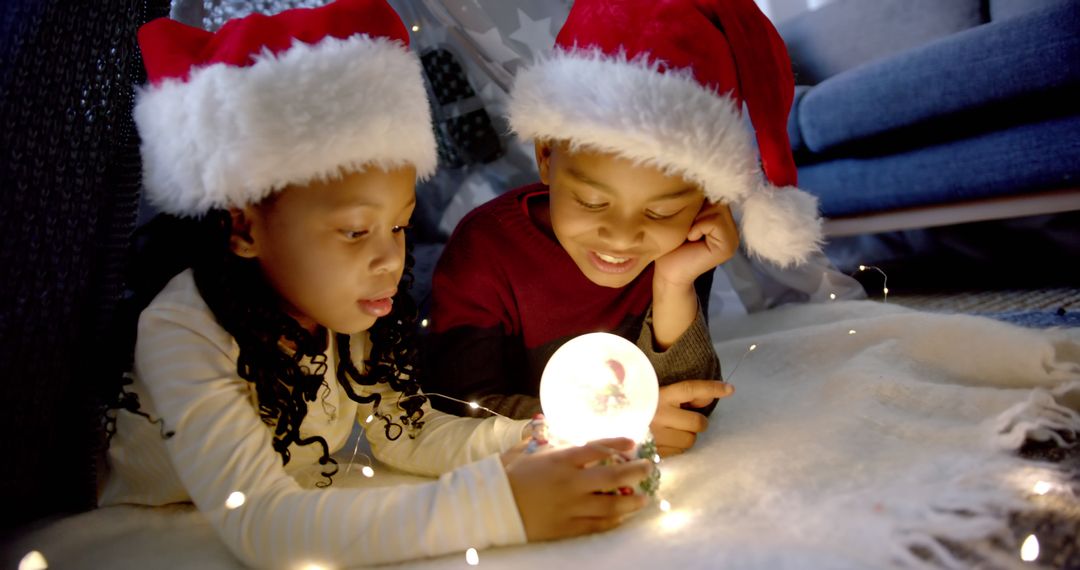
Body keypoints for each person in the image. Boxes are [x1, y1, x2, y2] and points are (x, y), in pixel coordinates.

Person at [99, 1, 651, 567]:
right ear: (243, 226)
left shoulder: (346, 312)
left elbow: (406, 433)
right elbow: (261, 522)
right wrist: (501, 505)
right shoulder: (183, 331)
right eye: (356, 230)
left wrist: (538, 436)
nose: (390, 257)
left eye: (399, 225)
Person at [424, 0, 824, 456]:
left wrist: (675, 284)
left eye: (659, 213)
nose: (621, 237)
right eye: (592, 201)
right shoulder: (484, 250)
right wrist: (610, 426)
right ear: (547, 157)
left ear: (706, 202)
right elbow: (454, 405)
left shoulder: (678, 247)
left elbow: (689, 401)